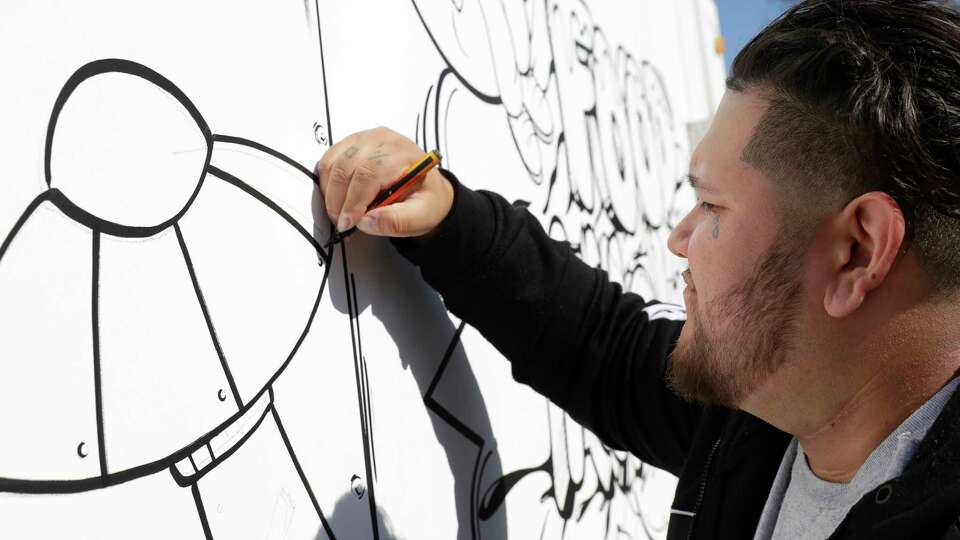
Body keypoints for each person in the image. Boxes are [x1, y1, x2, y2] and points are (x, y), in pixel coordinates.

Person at [315, 1, 960, 538]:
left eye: (711, 204)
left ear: (857, 251)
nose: (680, 238)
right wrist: (451, 223)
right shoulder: (760, 424)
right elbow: (606, 347)